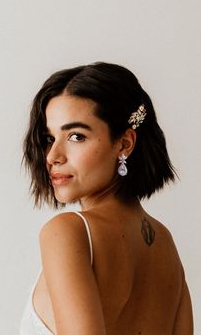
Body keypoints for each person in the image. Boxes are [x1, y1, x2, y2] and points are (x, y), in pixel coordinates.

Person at [20, 62, 193, 335]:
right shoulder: (165, 244)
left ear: (124, 143)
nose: (53, 156)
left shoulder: (68, 231)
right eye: (49, 138)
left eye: (76, 136)